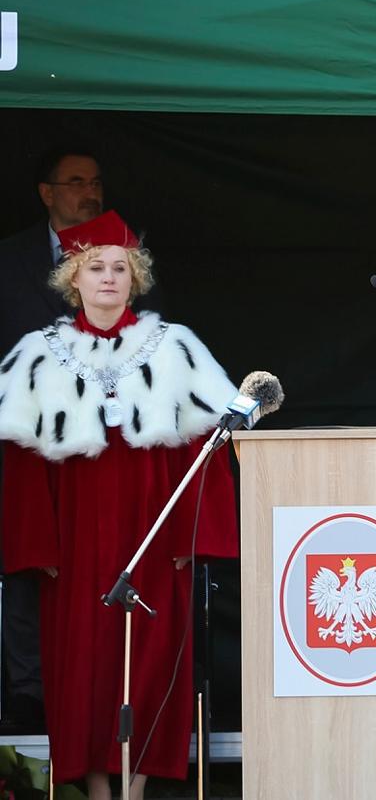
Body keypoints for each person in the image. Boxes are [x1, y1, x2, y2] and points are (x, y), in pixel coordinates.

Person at [0, 211, 239, 800]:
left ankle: (133, 789)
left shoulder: (175, 349)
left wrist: (191, 537)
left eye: (120, 269)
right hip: (77, 538)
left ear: (136, 278)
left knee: (149, 659)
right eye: (96, 268)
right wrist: (38, 544)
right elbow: (23, 462)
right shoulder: (40, 354)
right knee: (86, 664)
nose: (109, 278)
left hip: (152, 531)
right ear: (72, 278)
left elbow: (203, 452)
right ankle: (98, 789)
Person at [0, 144, 111, 729]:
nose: (88, 192)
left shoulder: (123, 259)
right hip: (25, 443)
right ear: (47, 193)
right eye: (75, 182)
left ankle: (91, 691)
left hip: (102, 448)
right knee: (27, 562)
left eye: (94, 182)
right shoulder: (10, 259)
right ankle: (27, 697)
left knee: (96, 564)